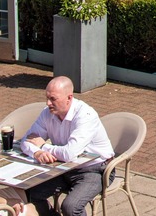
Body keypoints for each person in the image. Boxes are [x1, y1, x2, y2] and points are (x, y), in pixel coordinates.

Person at [21, 76, 115, 216]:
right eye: (47, 98)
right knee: (29, 193)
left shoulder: (85, 115)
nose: (48, 103)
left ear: (69, 98)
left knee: (71, 207)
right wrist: (37, 153)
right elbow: (26, 140)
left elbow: (69, 153)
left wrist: (43, 146)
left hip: (94, 169)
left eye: (53, 99)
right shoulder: (47, 113)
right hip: (62, 168)